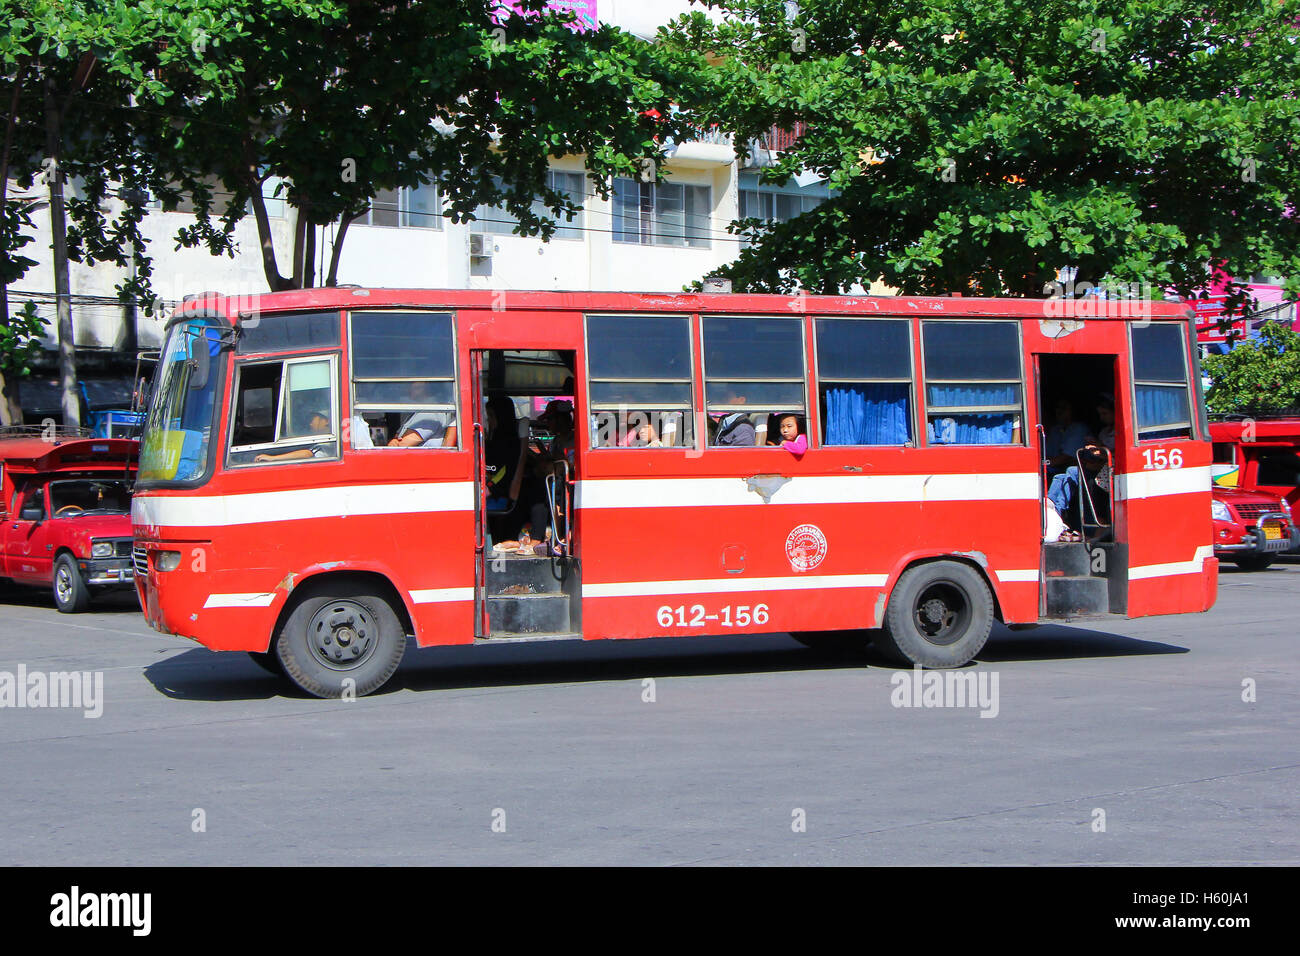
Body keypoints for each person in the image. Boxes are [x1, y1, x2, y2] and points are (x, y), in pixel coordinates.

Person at [387, 381, 457, 448]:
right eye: (410, 387)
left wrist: (396, 442)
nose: (410, 390)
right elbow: (397, 437)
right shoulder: (415, 412)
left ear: (428, 390)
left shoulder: (431, 411)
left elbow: (403, 444)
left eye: (417, 388)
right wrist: (395, 440)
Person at [254, 410, 335, 462]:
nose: (310, 424)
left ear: (326, 420)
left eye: (312, 419)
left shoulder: (329, 441)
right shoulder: (323, 439)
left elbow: (308, 454)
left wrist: (272, 458)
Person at [1045, 398, 1088, 474]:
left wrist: (1044, 464)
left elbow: (1067, 457)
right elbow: (1048, 453)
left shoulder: (1079, 428)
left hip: (1075, 469)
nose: (1059, 411)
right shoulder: (1055, 429)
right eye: (1057, 408)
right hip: (1056, 467)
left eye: (1064, 408)